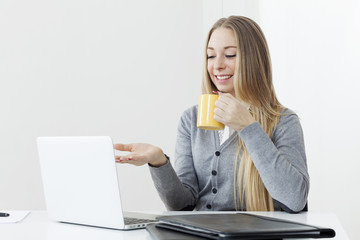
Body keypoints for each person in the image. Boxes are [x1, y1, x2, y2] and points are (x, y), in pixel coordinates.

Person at [114, 16, 309, 213]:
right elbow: (182, 204)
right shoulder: (191, 119)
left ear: (254, 60)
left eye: (230, 55)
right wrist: (159, 162)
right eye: (210, 56)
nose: (217, 65)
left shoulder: (283, 122)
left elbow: (295, 199)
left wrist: (248, 127)